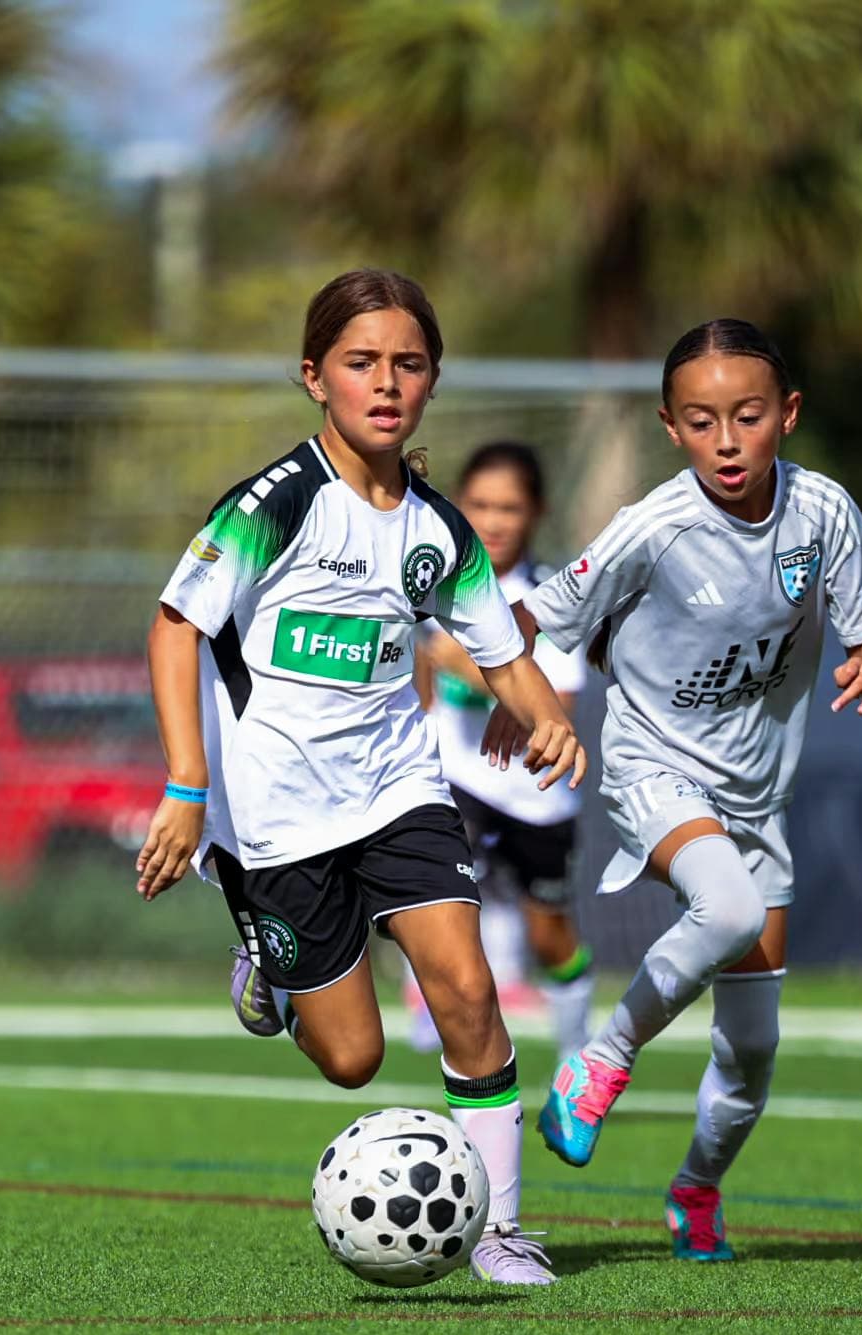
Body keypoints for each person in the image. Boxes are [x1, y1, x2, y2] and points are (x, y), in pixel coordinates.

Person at [136, 269, 586, 1283]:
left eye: (408, 364)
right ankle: (271, 970)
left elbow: (500, 650)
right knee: (354, 1060)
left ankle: (502, 1231)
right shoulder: (272, 505)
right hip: (274, 813)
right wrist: (186, 785)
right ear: (314, 376)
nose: (386, 382)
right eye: (361, 362)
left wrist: (547, 716)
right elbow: (173, 628)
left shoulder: (440, 530)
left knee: (468, 988)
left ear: (432, 382)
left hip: (397, 788)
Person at [489, 318, 862, 1260]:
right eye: (702, 421)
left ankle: (696, 1190)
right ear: (670, 427)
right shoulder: (654, 526)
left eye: (747, 416)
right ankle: (598, 1062)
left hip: (758, 799)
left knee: (751, 1052)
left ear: (787, 414)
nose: (727, 440)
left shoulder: (823, 513)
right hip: (653, 765)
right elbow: (530, 616)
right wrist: (519, 693)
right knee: (727, 907)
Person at [411, 442, 598, 1061]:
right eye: (479, 505)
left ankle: (577, 1056)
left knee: (550, 935)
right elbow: (423, 675)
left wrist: (463, 662)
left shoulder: (552, 598)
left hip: (534, 796)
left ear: (536, 512)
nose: (492, 522)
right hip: (456, 778)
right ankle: (442, 1019)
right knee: (436, 901)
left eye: (508, 508)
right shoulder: (435, 580)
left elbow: (556, 706)